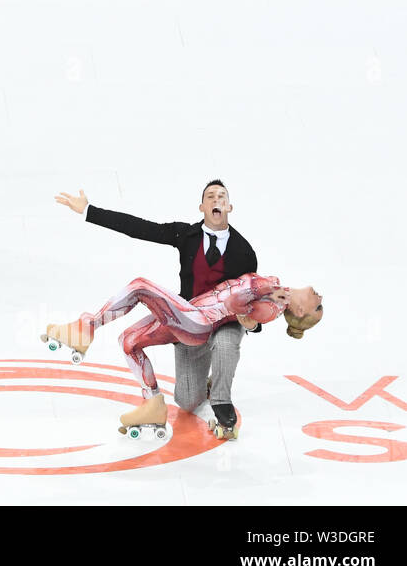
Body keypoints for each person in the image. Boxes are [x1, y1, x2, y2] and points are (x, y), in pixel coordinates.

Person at [55, 181, 261, 433]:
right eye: (210, 196)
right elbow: (141, 228)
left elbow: (255, 299)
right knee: (140, 353)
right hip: (189, 322)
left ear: (229, 206)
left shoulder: (244, 252)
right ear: (202, 207)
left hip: (224, 325)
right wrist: (90, 211)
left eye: (221, 196)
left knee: (224, 342)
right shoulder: (186, 235)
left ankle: (221, 401)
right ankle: (153, 401)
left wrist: (254, 324)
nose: (216, 199)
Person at [42, 274, 322, 438]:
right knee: (128, 342)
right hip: (189, 312)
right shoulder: (275, 286)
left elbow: (233, 304)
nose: (320, 296)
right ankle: (152, 403)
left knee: (140, 285)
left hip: (197, 321)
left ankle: (85, 328)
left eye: (318, 305)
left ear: (299, 312)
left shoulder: (272, 308)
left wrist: (263, 290)